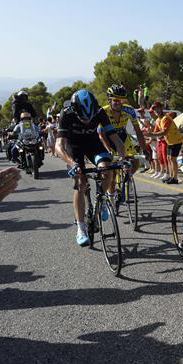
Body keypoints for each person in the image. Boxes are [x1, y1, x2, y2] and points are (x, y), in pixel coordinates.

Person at [55, 89, 126, 247]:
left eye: (90, 118)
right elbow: (58, 147)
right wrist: (72, 163)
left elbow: (115, 139)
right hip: (74, 147)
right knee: (80, 183)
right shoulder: (66, 114)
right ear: (75, 110)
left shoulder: (100, 112)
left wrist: (123, 159)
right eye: (82, 118)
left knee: (107, 169)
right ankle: (81, 228)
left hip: (93, 144)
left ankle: (100, 201)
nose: (87, 121)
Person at [97, 84, 148, 197]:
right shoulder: (102, 112)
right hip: (107, 139)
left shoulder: (129, 110)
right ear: (109, 100)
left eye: (121, 100)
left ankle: (127, 178)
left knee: (135, 162)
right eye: (115, 100)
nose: (118, 102)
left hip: (122, 137)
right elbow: (101, 134)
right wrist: (108, 149)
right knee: (112, 172)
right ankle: (111, 197)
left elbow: (138, 131)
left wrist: (144, 150)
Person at [145, 106, 183, 184]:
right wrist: (150, 134)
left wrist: (151, 134)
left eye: (157, 109)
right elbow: (156, 131)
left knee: (173, 159)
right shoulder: (158, 120)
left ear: (161, 109)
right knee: (169, 158)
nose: (156, 111)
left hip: (176, 140)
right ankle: (171, 176)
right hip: (170, 141)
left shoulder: (166, 118)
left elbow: (164, 132)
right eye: (154, 110)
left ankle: (175, 178)